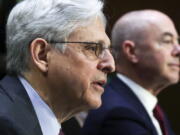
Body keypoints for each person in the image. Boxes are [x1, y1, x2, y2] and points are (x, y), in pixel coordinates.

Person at [0, 0, 115, 134]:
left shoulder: (69, 126)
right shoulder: (4, 125)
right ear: (42, 55)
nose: (110, 65)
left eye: (109, 51)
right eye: (93, 48)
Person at [82, 9, 180, 135]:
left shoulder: (148, 106)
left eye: (177, 41)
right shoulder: (119, 113)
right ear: (131, 52)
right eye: (167, 41)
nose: (178, 50)